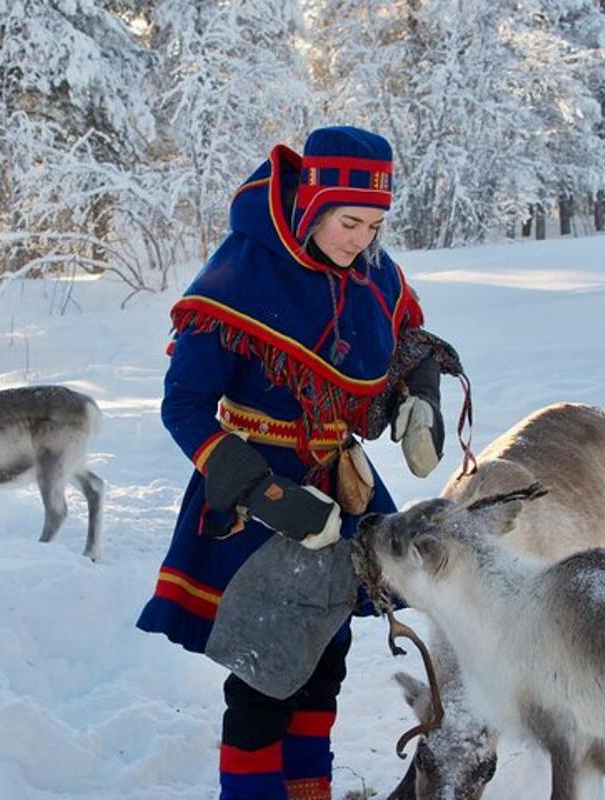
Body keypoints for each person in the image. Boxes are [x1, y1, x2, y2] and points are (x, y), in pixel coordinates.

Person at [136, 126, 446, 800]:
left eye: (373, 223)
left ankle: (310, 790)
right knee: (264, 676)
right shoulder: (243, 274)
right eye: (348, 221)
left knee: (323, 662)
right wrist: (263, 493)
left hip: (343, 488)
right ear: (312, 206)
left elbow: (406, 342)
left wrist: (419, 397)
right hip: (255, 497)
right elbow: (183, 404)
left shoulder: (373, 272)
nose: (360, 239)